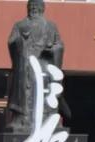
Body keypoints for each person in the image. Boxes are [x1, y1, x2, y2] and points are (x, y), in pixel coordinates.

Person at [5, 0, 64, 133]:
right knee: (25, 93)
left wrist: (52, 50)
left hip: (44, 66)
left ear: (42, 9)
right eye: (31, 7)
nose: (34, 9)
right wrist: (20, 43)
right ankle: (22, 119)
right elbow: (11, 42)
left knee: (45, 94)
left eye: (37, 7)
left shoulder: (51, 26)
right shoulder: (20, 25)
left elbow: (59, 44)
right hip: (25, 66)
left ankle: (47, 119)